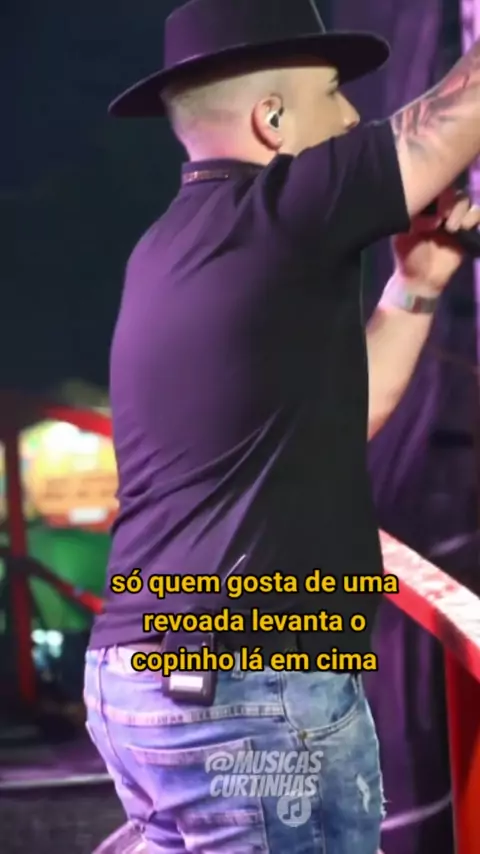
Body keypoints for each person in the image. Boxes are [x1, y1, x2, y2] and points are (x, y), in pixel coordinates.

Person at [84, 0, 480, 852]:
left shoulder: (171, 249)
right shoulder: (279, 210)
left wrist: (415, 287)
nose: (354, 117)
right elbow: (461, 114)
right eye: (334, 93)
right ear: (272, 120)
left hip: (149, 679)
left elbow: (342, 416)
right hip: (254, 690)